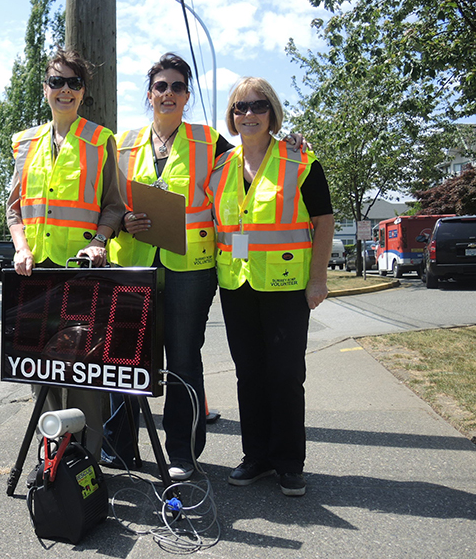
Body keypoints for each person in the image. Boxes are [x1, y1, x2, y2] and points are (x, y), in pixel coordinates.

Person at [100, 53, 235, 481]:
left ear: (187, 95)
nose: (169, 94)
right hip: (132, 266)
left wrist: (292, 144)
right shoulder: (122, 144)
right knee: (124, 360)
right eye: (162, 86)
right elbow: (106, 203)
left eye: (178, 87)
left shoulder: (209, 141)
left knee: (182, 361)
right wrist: (123, 220)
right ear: (149, 93)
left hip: (189, 269)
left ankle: (183, 453)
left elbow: (256, 160)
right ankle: (120, 451)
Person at [209, 77, 334, 496]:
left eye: (258, 106)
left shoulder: (300, 160)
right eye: (240, 107)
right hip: (236, 284)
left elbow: (323, 221)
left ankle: (288, 462)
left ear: (272, 112)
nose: (249, 114)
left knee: (284, 374)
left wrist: (318, 278)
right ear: (231, 115)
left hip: (286, 285)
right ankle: (256, 456)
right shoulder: (221, 166)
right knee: (249, 375)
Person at [6, 48, 125, 460]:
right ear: (45, 89)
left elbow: (114, 204)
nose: (65, 90)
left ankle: (87, 458)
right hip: (36, 273)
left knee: (83, 369)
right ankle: (52, 450)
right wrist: (22, 247)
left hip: (81, 273)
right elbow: (14, 207)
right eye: (57, 82)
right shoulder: (25, 142)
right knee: (42, 369)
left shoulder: (100, 140)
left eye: (74, 83)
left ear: (83, 92)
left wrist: (98, 241)